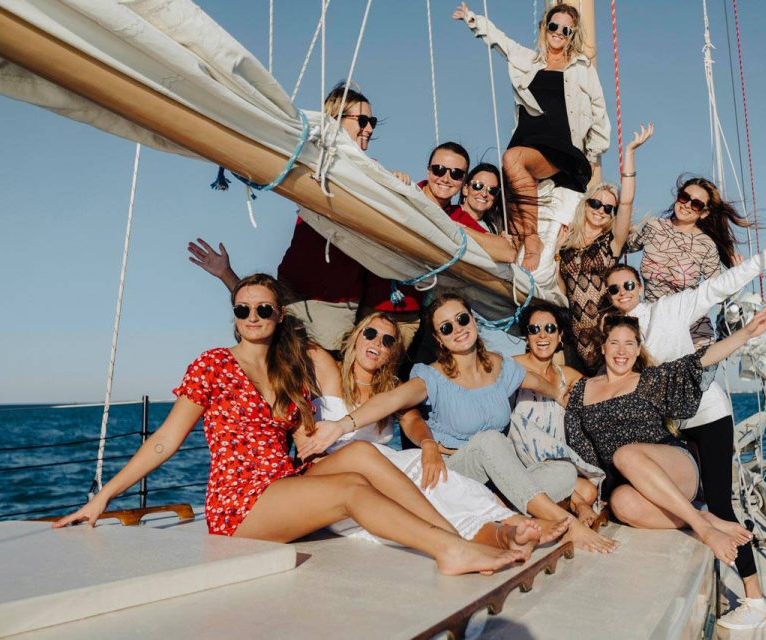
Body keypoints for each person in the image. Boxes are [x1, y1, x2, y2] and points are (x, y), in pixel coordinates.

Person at [54, 274, 520, 576]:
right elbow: (164, 442)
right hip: (241, 503)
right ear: (235, 320)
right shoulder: (213, 365)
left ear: (279, 316)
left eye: (263, 309)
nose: (253, 316)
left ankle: (451, 539)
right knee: (350, 492)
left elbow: (309, 432)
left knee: (360, 454)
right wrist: (103, 497)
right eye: (243, 310)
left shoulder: (289, 370)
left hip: (283, 481)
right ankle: (449, 552)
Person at [305, 292, 616, 553]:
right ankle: (565, 525)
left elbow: (537, 381)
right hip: (454, 470)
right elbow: (394, 401)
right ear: (439, 339)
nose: (457, 328)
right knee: (490, 440)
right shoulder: (430, 375)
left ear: (473, 321)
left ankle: (504, 508)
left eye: (462, 319)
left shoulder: (499, 366)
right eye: (446, 326)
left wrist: (560, 393)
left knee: (562, 471)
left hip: (497, 474)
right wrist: (343, 425)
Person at [602, 230, 766, 629]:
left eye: (629, 284)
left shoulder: (670, 310)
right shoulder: (615, 337)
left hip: (707, 416)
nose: (623, 291)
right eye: (614, 288)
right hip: (670, 428)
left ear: (640, 286)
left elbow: (723, 283)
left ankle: (755, 598)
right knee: (670, 498)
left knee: (721, 504)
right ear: (608, 296)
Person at [188, 83, 421, 351]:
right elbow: (254, 308)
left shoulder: (375, 176)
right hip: (291, 286)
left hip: (337, 301)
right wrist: (224, 272)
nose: (369, 128)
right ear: (334, 120)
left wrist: (398, 183)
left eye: (373, 122)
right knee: (269, 346)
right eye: (362, 120)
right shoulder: (309, 159)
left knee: (316, 371)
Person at [564, 308, 766, 568]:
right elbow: (583, 452)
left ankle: (703, 530)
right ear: (603, 348)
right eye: (614, 343)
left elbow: (701, 360)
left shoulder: (650, 380)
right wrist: (588, 499)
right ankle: (705, 518)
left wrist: (746, 333)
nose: (621, 351)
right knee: (621, 503)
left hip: (674, 467)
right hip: (632, 483)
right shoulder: (581, 392)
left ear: (637, 351)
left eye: (629, 344)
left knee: (625, 454)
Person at [454, 2, 611, 271]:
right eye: (554, 26)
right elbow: (499, 41)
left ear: (573, 35)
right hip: (528, 139)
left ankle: (532, 240)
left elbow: (599, 113)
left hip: (560, 148)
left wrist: (592, 154)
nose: (559, 33)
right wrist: (473, 19)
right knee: (513, 198)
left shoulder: (583, 69)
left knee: (512, 160)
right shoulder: (528, 60)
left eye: (567, 30)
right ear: (544, 28)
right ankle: (518, 256)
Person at [558, 124, 653, 374]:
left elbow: (627, 201)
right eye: (596, 203)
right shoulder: (566, 242)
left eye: (608, 208)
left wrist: (630, 153)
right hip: (573, 336)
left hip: (604, 335)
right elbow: (561, 288)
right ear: (586, 204)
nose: (601, 210)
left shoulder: (611, 244)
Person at [625, 176, 753, 348]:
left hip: (692, 334)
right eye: (685, 197)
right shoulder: (654, 227)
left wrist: (736, 276)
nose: (687, 205)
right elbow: (622, 245)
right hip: (654, 327)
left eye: (696, 204)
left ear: (704, 213)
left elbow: (718, 292)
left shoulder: (705, 245)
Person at [509, 302, 605, 526]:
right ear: (526, 337)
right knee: (582, 495)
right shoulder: (511, 367)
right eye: (534, 330)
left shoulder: (567, 375)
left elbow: (599, 396)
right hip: (520, 461)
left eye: (550, 329)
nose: (542, 335)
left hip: (557, 463)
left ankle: (568, 503)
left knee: (589, 491)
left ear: (560, 335)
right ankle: (576, 504)